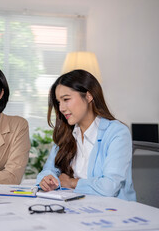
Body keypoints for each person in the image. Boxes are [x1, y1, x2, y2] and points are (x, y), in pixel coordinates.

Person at [36, 69, 136, 201]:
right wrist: (47, 179)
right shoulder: (66, 134)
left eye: (66, 99)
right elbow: (48, 170)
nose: (61, 108)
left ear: (88, 96)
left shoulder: (117, 133)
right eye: (59, 102)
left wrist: (71, 182)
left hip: (113, 212)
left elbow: (109, 187)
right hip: (77, 207)